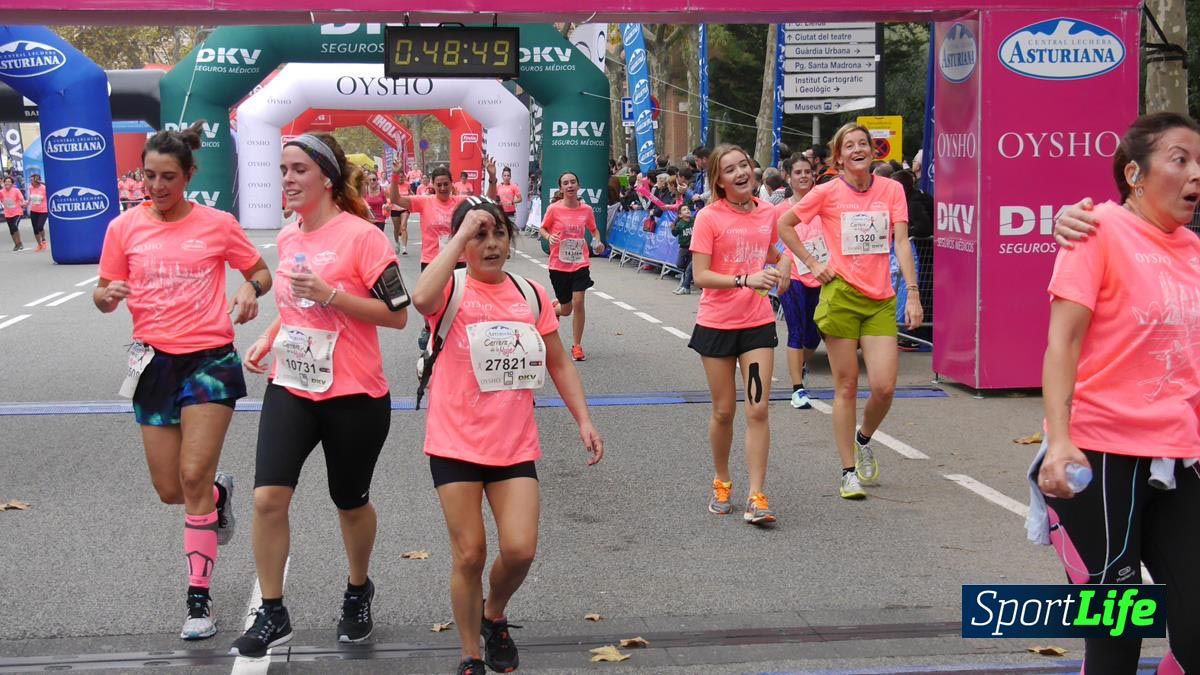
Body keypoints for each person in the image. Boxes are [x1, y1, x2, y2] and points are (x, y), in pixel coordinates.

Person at [231, 133, 409, 656]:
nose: (287, 178)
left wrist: (332, 294)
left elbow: (398, 315)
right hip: (294, 385)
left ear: (326, 178)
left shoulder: (363, 238)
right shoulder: (289, 237)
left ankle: (358, 590)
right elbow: (293, 309)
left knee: (349, 503)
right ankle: (274, 610)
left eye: (298, 170)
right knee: (268, 498)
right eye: (283, 169)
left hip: (354, 392)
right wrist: (268, 339)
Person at [1035, 112, 1200, 675]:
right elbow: (1062, 345)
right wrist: (1058, 443)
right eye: (1181, 159)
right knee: (1115, 637)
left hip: (1180, 456)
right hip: (1099, 456)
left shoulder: (1194, 252)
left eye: (1199, 162)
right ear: (1135, 173)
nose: (1195, 173)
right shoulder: (1094, 230)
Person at [93, 122, 272, 641]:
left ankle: (199, 600)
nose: (157, 186)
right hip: (152, 364)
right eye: (149, 175)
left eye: (168, 177)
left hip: (209, 361)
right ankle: (218, 496)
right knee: (171, 488)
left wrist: (248, 292)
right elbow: (104, 292)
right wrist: (106, 297)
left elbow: (259, 271)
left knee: (191, 476)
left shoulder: (217, 224)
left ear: (189, 175)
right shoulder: (123, 228)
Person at [411, 197, 603, 675]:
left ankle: (493, 613)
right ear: (461, 245)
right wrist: (458, 239)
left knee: (519, 550)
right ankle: (470, 654)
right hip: (454, 442)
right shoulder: (449, 289)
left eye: (497, 233)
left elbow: (557, 361)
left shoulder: (531, 293)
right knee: (470, 552)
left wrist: (583, 419)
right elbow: (419, 299)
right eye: (479, 235)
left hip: (512, 443)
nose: (491, 244)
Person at [777, 123, 921, 500]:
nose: (858, 149)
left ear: (874, 153)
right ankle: (847, 473)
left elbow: (902, 242)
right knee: (847, 384)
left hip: (880, 298)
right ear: (838, 157)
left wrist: (914, 293)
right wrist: (811, 261)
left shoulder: (892, 190)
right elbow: (785, 224)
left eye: (864, 144)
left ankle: (864, 438)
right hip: (840, 295)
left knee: (884, 386)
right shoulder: (826, 192)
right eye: (849, 145)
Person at [689, 143, 790, 525]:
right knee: (723, 410)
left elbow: (771, 252)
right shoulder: (708, 218)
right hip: (716, 327)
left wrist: (786, 265)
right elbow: (701, 275)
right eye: (730, 169)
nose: (740, 172)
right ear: (719, 179)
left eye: (744, 164)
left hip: (756, 327)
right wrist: (744, 279)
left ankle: (756, 495)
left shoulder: (768, 212)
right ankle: (722, 479)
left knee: (758, 407)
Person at [391, 160, 498, 349]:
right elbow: (397, 200)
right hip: (432, 261)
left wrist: (492, 178)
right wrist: (395, 176)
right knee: (431, 303)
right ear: (432, 185)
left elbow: (488, 202)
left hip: (459, 260)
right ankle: (428, 332)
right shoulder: (425, 202)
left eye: (445, 184)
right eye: (438, 184)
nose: (442, 187)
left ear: (451, 184)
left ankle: (459, 338)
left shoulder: (461, 203)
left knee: (460, 302)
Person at [773, 155, 825, 409]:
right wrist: (781, 260)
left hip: (822, 275)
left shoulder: (825, 204)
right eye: (798, 172)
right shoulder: (779, 210)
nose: (803, 176)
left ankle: (800, 365)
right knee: (796, 330)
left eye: (807, 171)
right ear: (788, 177)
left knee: (814, 335)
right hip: (792, 275)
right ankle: (797, 389)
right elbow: (768, 242)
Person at [538, 171, 605, 361]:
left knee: (578, 302)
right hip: (558, 265)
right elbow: (543, 228)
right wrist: (549, 237)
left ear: (578, 185)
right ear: (561, 188)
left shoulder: (586, 210)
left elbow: (593, 230)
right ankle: (554, 309)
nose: (569, 186)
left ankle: (577, 346)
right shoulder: (554, 209)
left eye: (573, 182)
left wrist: (596, 242)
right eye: (565, 183)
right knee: (566, 310)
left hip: (580, 263)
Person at [671, 203, 695, 295]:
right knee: (680, 264)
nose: (687, 210)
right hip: (684, 247)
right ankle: (684, 283)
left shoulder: (694, 221)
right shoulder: (680, 224)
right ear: (680, 215)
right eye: (684, 210)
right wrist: (672, 227)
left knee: (689, 268)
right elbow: (674, 233)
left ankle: (685, 286)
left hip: (693, 248)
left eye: (688, 209)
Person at [2, 176, 25, 251]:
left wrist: (23, 202)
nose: (7, 183)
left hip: (17, 212)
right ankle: (16, 244)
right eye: (6, 181)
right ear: (4, 183)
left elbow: (21, 199)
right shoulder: (1, 192)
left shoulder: (16, 190)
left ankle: (20, 243)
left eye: (9, 181)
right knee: (11, 229)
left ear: (12, 183)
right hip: (8, 213)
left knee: (14, 226)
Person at [26, 173, 48, 251]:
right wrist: (26, 204)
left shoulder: (44, 187)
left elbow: (51, 186)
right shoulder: (30, 188)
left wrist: (41, 182)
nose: (32, 181)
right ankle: (39, 245)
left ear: (38, 180)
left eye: (33, 180)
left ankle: (44, 240)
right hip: (34, 210)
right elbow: (30, 198)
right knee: (35, 228)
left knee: (39, 226)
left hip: (43, 210)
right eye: (31, 180)